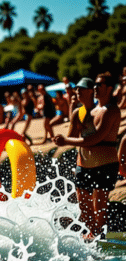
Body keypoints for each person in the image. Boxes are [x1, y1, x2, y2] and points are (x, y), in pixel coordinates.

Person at [53, 74, 122, 240]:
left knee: (99, 206)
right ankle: (94, 234)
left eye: (100, 85)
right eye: (95, 85)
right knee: (84, 206)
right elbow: (73, 136)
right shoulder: (84, 111)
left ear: (110, 88)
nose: (97, 88)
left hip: (104, 164)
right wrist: (73, 112)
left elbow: (96, 138)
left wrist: (66, 140)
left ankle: (100, 235)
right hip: (83, 165)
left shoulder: (111, 110)